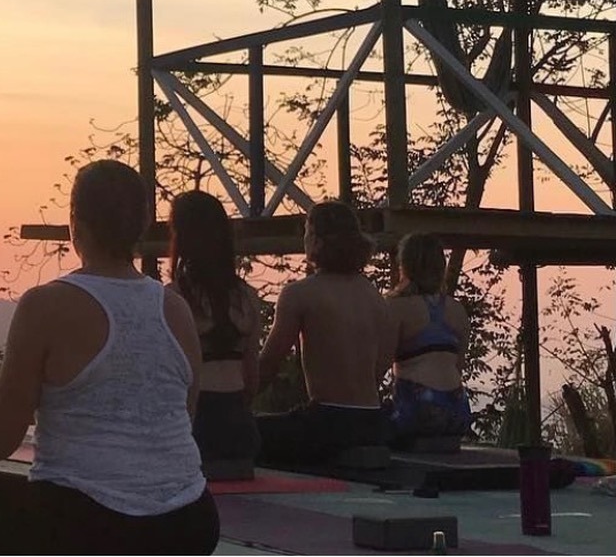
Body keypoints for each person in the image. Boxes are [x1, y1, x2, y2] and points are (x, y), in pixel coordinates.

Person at [0, 160, 220, 555]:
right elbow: (185, 419)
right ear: (142, 226)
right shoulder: (175, 308)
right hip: (189, 525)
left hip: (86, 525)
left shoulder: (47, 305)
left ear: (75, 223)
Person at [255, 200, 391, 465]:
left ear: (316, 240)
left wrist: (234, 402)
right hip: (373, 421)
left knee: (243, 435)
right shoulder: (374, 296)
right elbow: (381, 365)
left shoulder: (300, 294)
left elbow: (269, 365)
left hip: (328, 422)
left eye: (306, 232)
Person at [170, 190, 262, 464]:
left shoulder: (171, 299)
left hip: (196, 426)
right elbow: (252, 379)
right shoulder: (247, 297)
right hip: (240, 427)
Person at [385, 233, 471, 446]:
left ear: (405, 266)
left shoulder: (397, 308)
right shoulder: (457, 310)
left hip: (418, 410)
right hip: (458, 410)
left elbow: (379, 366)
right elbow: (459, 365)